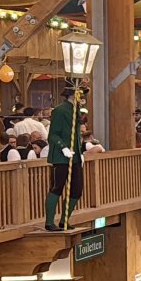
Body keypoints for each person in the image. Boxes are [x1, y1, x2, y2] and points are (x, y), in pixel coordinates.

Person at [43, 83, 83, 231]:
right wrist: (63, 147)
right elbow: (53, 135)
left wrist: (80, 152)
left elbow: (76, 135)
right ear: (72, 93)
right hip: (60, 157)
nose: (82, 96)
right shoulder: (59, 110)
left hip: (75, 156)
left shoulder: (76, 110)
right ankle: (49, 222)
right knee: (57, 188)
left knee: (76, 190)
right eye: (80, 92)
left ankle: (64, 221)